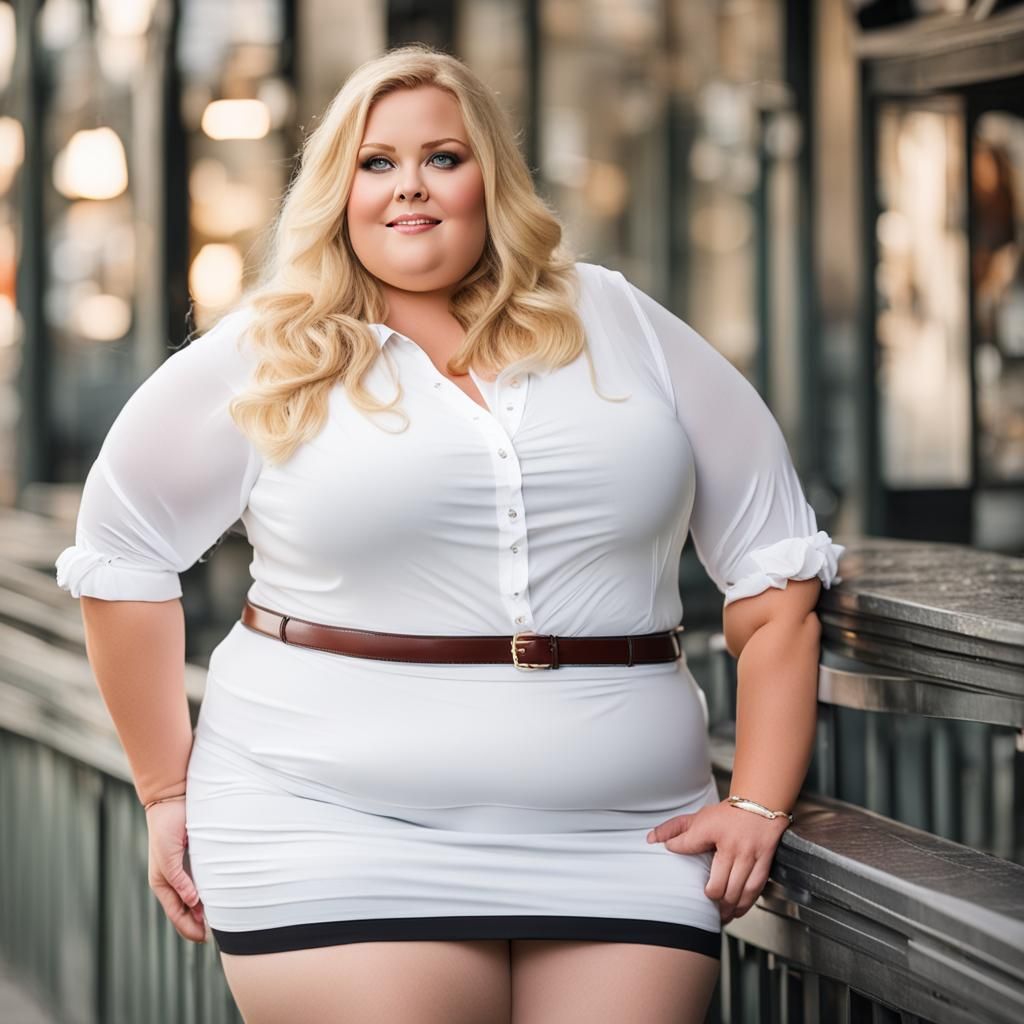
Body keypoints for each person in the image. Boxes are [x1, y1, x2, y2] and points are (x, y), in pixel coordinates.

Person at [55, 43, 844, 1024]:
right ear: (336, 189)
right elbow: (122, 548)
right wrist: (166, 787)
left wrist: (761, 799)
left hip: (628, 839)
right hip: (327, 826)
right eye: (375, 162)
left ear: (490, 180)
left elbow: (776, 565)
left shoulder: (619, 320)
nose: (409, 187)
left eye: (443, 156)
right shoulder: (270, 350)